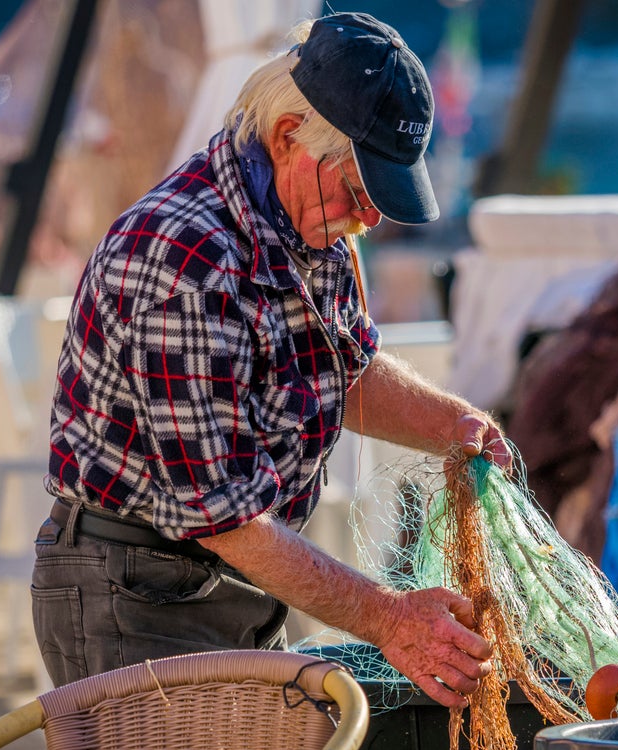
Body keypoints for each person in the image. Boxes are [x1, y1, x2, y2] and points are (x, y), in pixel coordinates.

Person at [31, 12, 508, 708]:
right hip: (133, 594)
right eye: (357, 187)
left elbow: (344, 374)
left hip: (230, 578)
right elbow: (223, 514)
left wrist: (460, 427)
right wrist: (388, 618)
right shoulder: (183, 253)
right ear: (288, 138)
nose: (369, 218)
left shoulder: (316, 228)